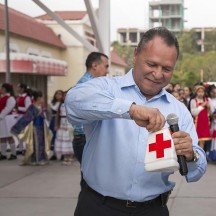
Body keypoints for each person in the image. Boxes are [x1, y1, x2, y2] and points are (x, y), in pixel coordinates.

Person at [65, 27, 207, 216]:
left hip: (153, 209)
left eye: (166, 69)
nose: (157, 74)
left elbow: (196, 171)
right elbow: (73, 102)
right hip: (99, 207)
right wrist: (129, 109)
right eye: (152, 64)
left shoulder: (178, 110)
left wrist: (191, 155)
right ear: (135, 55)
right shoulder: (107, 88)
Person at [11, 91, 52, 166]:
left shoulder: (41, 107)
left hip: (42, 128)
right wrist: (17, 128)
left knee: (42, 143)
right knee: (35, 144)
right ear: (39, 98)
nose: (43, 99)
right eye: (42, 97)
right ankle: (35, 159)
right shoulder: (32, 107)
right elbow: (26, 118)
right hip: (34, 129)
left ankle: (42, 158)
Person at [55, 91, 74, 165]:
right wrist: (56, 125)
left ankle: (71, 156)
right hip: (62, 123)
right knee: (63, 140)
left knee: (69, 139)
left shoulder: (72, 105)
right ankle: (65, 156)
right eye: (65, 96)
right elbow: (57, 116)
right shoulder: (61, 105)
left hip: (69, 123)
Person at [0, 83, 17, 160]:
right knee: (2, 136)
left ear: (5, 89)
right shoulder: (2, 97)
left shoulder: (10, 98)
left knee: (9, 136)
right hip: (2, 119)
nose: (1, 89)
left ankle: (13, 153)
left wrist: (1, 116)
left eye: (2, 88)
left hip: (7, 119)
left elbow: (8, 108)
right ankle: (3, 153)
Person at [16, 83, 32, 154]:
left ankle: (25, 149)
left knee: (25, 133)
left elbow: (28, 109)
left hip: (24, 117)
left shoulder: (27, 97)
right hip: (18, 116)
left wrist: (18, 108)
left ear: (22, 89)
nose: (17, 89)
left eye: (18, 88)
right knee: (19, 133)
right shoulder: (19, 97)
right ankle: (20, 148)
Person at [49, 90, 64, 160]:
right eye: (57, 94)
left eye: (60, 94)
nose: (58, 95)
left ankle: (62, 153)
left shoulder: (63, 103)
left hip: (61, 121)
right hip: (54, 120)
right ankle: (53, 154)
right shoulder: (52, 103)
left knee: (61, 137)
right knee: (54, 136)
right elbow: (54, 108)